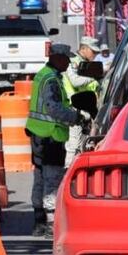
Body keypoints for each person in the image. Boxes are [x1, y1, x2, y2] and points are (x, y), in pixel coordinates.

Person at [25, 43, 88, 238]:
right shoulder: (51, 79)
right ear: (57, 58)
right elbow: (54, 108)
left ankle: (39, 221)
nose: (69, 62)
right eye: (66, 58)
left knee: (40, 177)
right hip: (51, 135)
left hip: (39, 135)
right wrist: (76, 117)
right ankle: (51, 225)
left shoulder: (44, 74)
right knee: (52, 180)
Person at [63, 37, 101, 167]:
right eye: (93, 51)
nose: (95, 55)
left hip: (85, 108)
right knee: (74, 144)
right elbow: (75, 81)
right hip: (74, 107)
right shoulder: (73, 61)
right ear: (84, 49)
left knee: (82, 143)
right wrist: (94, 76)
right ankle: (68, 171)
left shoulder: (84, 62)